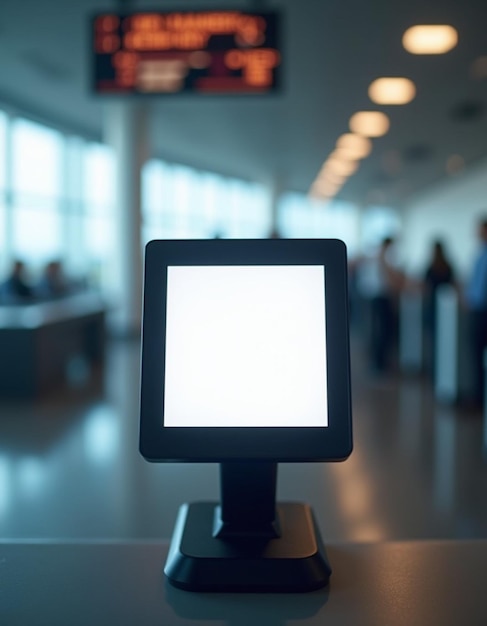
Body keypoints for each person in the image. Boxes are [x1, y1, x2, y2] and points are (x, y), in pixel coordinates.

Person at [357, 237, 404, 373]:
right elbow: (388, 280)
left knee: (379, 330)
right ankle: (378, 364)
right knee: (381, 330)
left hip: (375, 297)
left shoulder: (377, 257)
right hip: (379, 297)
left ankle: (379, 363)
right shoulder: (381, 258)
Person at [422, 239, 456, 374]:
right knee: (444, 342)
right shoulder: (447, 266)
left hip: (433, 308)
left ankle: (434, 370)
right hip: (447, 311)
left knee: (434, 342)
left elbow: (426, 288)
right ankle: (443, 370)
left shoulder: (431, 268)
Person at [466, 216, 487, 409]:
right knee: (476, 356)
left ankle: (479, 397)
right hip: (476, 310)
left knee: (480, 356)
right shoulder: (480, 254)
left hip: (483, 312)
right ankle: (478, 396)